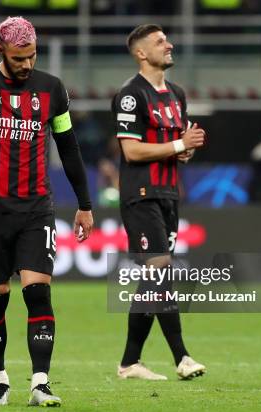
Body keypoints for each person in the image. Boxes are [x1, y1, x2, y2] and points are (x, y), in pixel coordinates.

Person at [0, 16, 93, 407]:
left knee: (38, 291)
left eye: (32, 55)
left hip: (35, 207)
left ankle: (40, 383)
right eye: (17, 56)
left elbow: (69, 146)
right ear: (2, 51)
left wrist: (84, 203)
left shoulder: (52, 89)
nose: (26, 63)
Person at [112, 24, 207, 381]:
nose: (169, 45)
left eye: (167, 40)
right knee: (161, 269)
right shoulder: (130, 96)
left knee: (153, 280)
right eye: (160, 42)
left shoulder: (177, 94)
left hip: (168, 196)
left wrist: (186, 150)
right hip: (140, 196)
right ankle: (181, 357)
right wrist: (179, 146)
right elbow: (132, 150)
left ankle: (129, 362)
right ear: (141, 53)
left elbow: (175, 149)